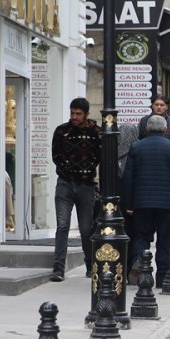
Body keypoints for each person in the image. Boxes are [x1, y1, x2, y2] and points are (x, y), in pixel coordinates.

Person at [122, 115, 170, 287]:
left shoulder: (136, 147)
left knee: (141, 236)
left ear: (146, 129)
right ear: (166, 129)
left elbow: (128, 177)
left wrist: (128, 203)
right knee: (164, 239)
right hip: (165, 203)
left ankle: (140, 266)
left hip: (142, 202)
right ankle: (161, 278)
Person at [50, 98, 101, 281]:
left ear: (86, 114)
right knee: (62, 226)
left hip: (86, 185)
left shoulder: (95, 132)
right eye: (72, 113)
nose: (74, 117)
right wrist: (67, 167)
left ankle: (90, 265)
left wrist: (87, 169)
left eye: (78, 114)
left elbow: (100, 155)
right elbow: (55, 154)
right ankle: (58, 269)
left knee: (86, 229)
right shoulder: (62, 131)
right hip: (65, 183)